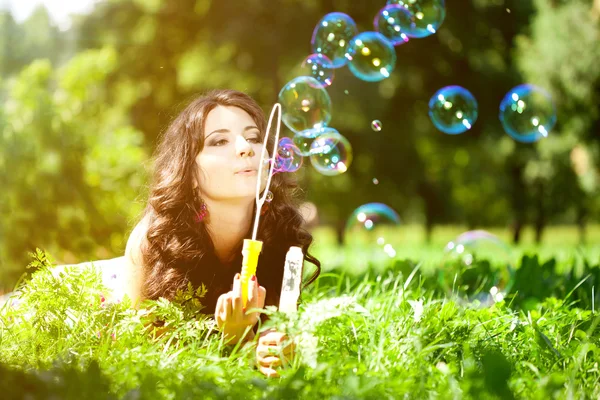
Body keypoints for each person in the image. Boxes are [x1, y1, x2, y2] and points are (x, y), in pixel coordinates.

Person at [121, 89, 321, 378]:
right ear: (188, 172)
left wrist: (263, 347)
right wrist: (234, 339)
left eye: (254, 137)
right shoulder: (154, 242)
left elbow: (272, 354)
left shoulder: (282, 236)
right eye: (219, 141)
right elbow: (148, 361)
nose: (246, 148)